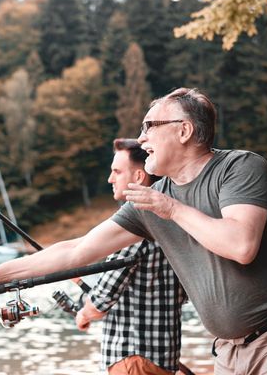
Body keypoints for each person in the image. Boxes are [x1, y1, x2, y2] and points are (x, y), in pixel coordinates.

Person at [0, 88, 267, 374]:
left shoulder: (240, 168)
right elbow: (74, 251)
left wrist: (170, 209)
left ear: (184, 130)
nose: (142, 138)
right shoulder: (151, 201)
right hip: (229, 349)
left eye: (149, 126)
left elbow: (240, 244)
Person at [75, 138, 186, 375]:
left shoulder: (132, 228)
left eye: (116, 171)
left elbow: (101, 301)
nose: (110, 179)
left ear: (138, 177)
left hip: (132, 360)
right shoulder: (173, 221)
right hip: (164, 358)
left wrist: (84, 313)